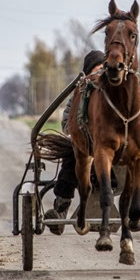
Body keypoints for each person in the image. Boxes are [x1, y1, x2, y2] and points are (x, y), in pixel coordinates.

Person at [44, 50, 105, 234]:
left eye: (103, 68)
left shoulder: (113, 93)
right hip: (84, 148)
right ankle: (61, 208)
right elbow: (66, 123)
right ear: (87, 75)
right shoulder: (78, 95)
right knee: (74, 152)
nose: (100, 73)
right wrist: (75, 134)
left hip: (108, 153)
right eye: (96, 69)